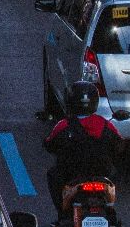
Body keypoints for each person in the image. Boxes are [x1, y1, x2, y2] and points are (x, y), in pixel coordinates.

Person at [43, 82, 123, 212]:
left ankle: (62, 211)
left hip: (71, 173)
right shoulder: (105, 124)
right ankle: (109, 207)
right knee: (115, 174)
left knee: (53, 175)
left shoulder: (63, 125)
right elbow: (119, 144)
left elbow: (49, 144)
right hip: (102, 172)